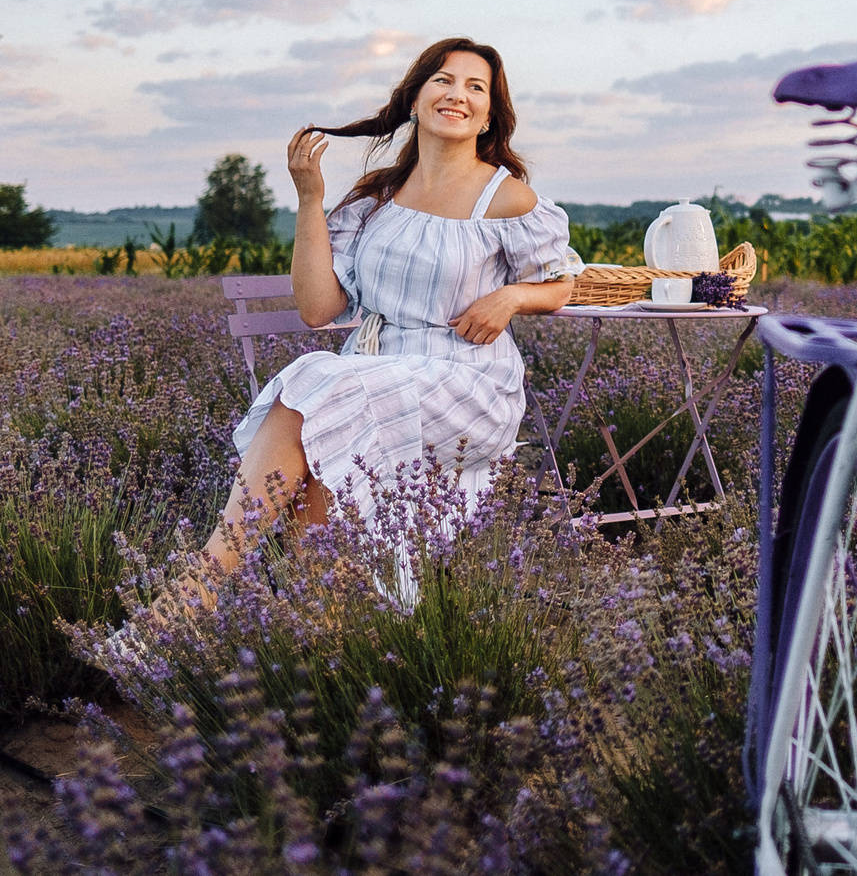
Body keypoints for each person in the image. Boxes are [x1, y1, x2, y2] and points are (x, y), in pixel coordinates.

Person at [192, 36, 584, 605]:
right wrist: (309, 200)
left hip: (468, 379)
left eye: (477, 87)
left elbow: (560, 285)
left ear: (489, 116)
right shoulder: (377, 197)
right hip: (374, 368)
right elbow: (318, 309)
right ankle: (324, 625)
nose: (458, 94)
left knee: (318, 388)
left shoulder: (507, 198)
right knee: (323, 409)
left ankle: (194, 598)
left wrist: (512, 298)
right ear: (415, 98)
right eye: (443, 80)